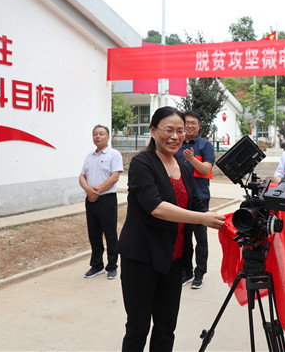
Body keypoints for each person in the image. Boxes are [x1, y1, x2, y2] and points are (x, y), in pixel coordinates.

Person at [117, 107, 225, 351]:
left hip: (173, 259)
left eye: (180, 130)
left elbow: (195, 202)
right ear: (153, 131)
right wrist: (202, 218)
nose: (176, 136)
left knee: (166, 327)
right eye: (169, 130)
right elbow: (156, 207)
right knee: (138, 327)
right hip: (142, 258)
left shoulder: (183, 165)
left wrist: (221, 218)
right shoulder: (141, 164)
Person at [176, 110, 215, 289]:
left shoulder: (205, 145)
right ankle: (186, 272)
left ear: (199, 125)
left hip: (199, 198)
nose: (189, 126)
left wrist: (191, 159)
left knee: (201, 238)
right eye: (187, 123)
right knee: (184, 238)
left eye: (193, 123)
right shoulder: (176, 144)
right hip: (181, 198)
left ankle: (200, 273)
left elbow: (206, 170)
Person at [79, 124, 123, 279]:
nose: (98, 136)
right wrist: (88, 191)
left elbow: (115, 176)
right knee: (94, 234)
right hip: (90, 200)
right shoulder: (89, 156)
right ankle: (97, 266)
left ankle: (112, 266)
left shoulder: (114, 154)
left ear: (108, 137)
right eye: (95, 134)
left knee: (110, 234)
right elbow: (82, 176)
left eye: (101, 134)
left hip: (107, 199)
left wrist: (96, 191)